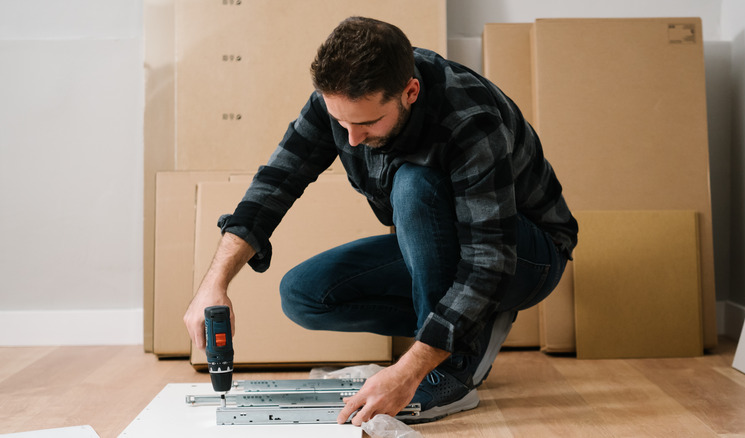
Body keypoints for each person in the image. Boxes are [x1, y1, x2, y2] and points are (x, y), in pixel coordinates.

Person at [183, 16, 578, 426]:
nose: (351, 139)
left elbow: (491, 259)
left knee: (414, 184)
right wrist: (214, 284)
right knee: (303, 295)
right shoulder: (338, 103)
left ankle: (452, 369)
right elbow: (275, 184)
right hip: (461, 249)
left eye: (368, 123)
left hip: (527, 253)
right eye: (341, 123)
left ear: (410, 92)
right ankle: (466, 324)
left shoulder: (468, 117)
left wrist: (409, 371)